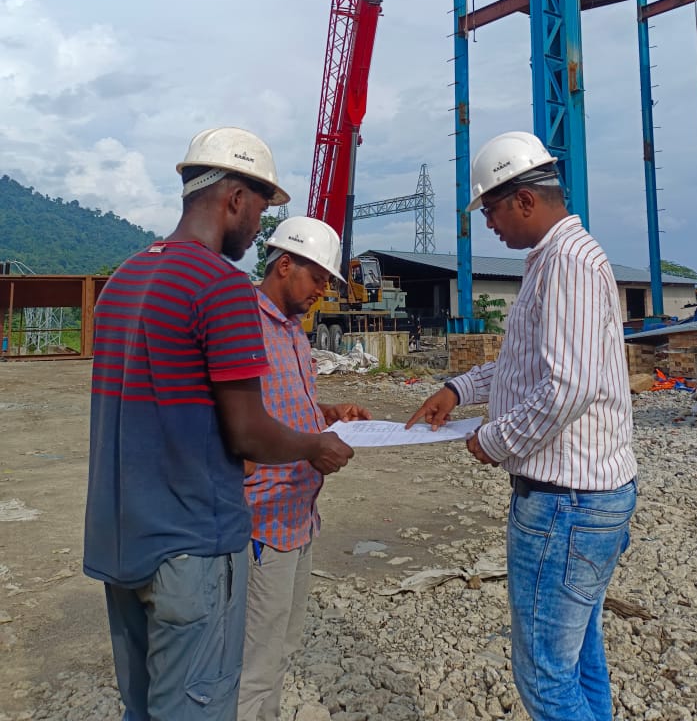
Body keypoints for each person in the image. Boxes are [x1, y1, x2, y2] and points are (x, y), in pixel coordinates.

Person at [83, 128, 354, 721]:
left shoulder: (122, 282)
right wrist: (315, 444)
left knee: (142, 707)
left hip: (120, 540)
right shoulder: (221, 286)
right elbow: (247, 432)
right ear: (235, 198)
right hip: (190, 546)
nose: (257, 228)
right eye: (259, 208)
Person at [406, 131, 637, 721]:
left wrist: (493, 440)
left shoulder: (568, 263)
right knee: (579, 659)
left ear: (526, 200)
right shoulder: (554, 261)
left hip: (566, 505)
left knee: (545, 680)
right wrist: (457, 389)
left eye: (490, 210)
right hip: (581, 501)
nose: (488, 224)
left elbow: (568, 388)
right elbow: (525, 366)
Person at [239, 217, 370, 721]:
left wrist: (327, 414)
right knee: (253, 662)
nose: (322, 291)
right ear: (284, 264)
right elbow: (241, 428)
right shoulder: (244, 325)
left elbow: (283, 407)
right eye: (317, 278)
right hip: (262, 523)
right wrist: (311, 446)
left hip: (299, 519)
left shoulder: (293, 331)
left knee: (281, 648)